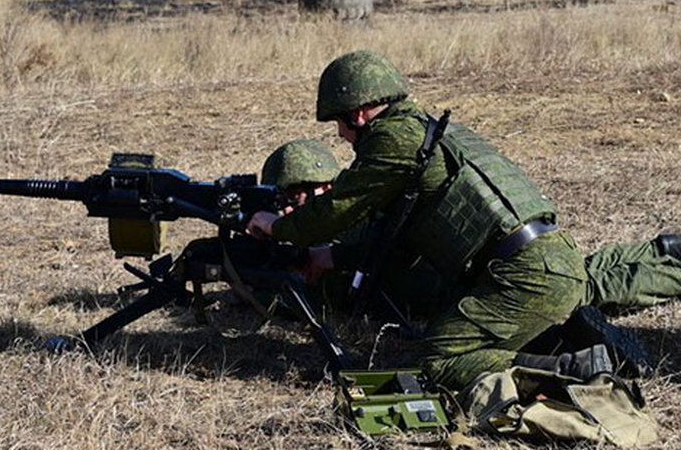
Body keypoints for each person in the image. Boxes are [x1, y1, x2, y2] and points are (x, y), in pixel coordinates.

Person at [248, 50, 632, 390]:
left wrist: (274, 226)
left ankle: (577, 367)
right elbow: (398, 245)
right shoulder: (433, 137)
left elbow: (334, 211)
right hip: (549, 259)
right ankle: (571, 338)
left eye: (340, 124)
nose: (342, 136)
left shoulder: (393, 142)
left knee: (438, 363)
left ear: (358, 113)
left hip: (522, 276)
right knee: (465, 338)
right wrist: (330, 259)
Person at [262, 139, 681, 316]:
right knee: (584, 272)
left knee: (585, 289)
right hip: (462, 278)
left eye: (319, 190)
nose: (311, 202)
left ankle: (671, 266)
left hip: (468, 284)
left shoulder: (352, 224)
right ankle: (665, 249)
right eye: (298, 196)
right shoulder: (347, 222)